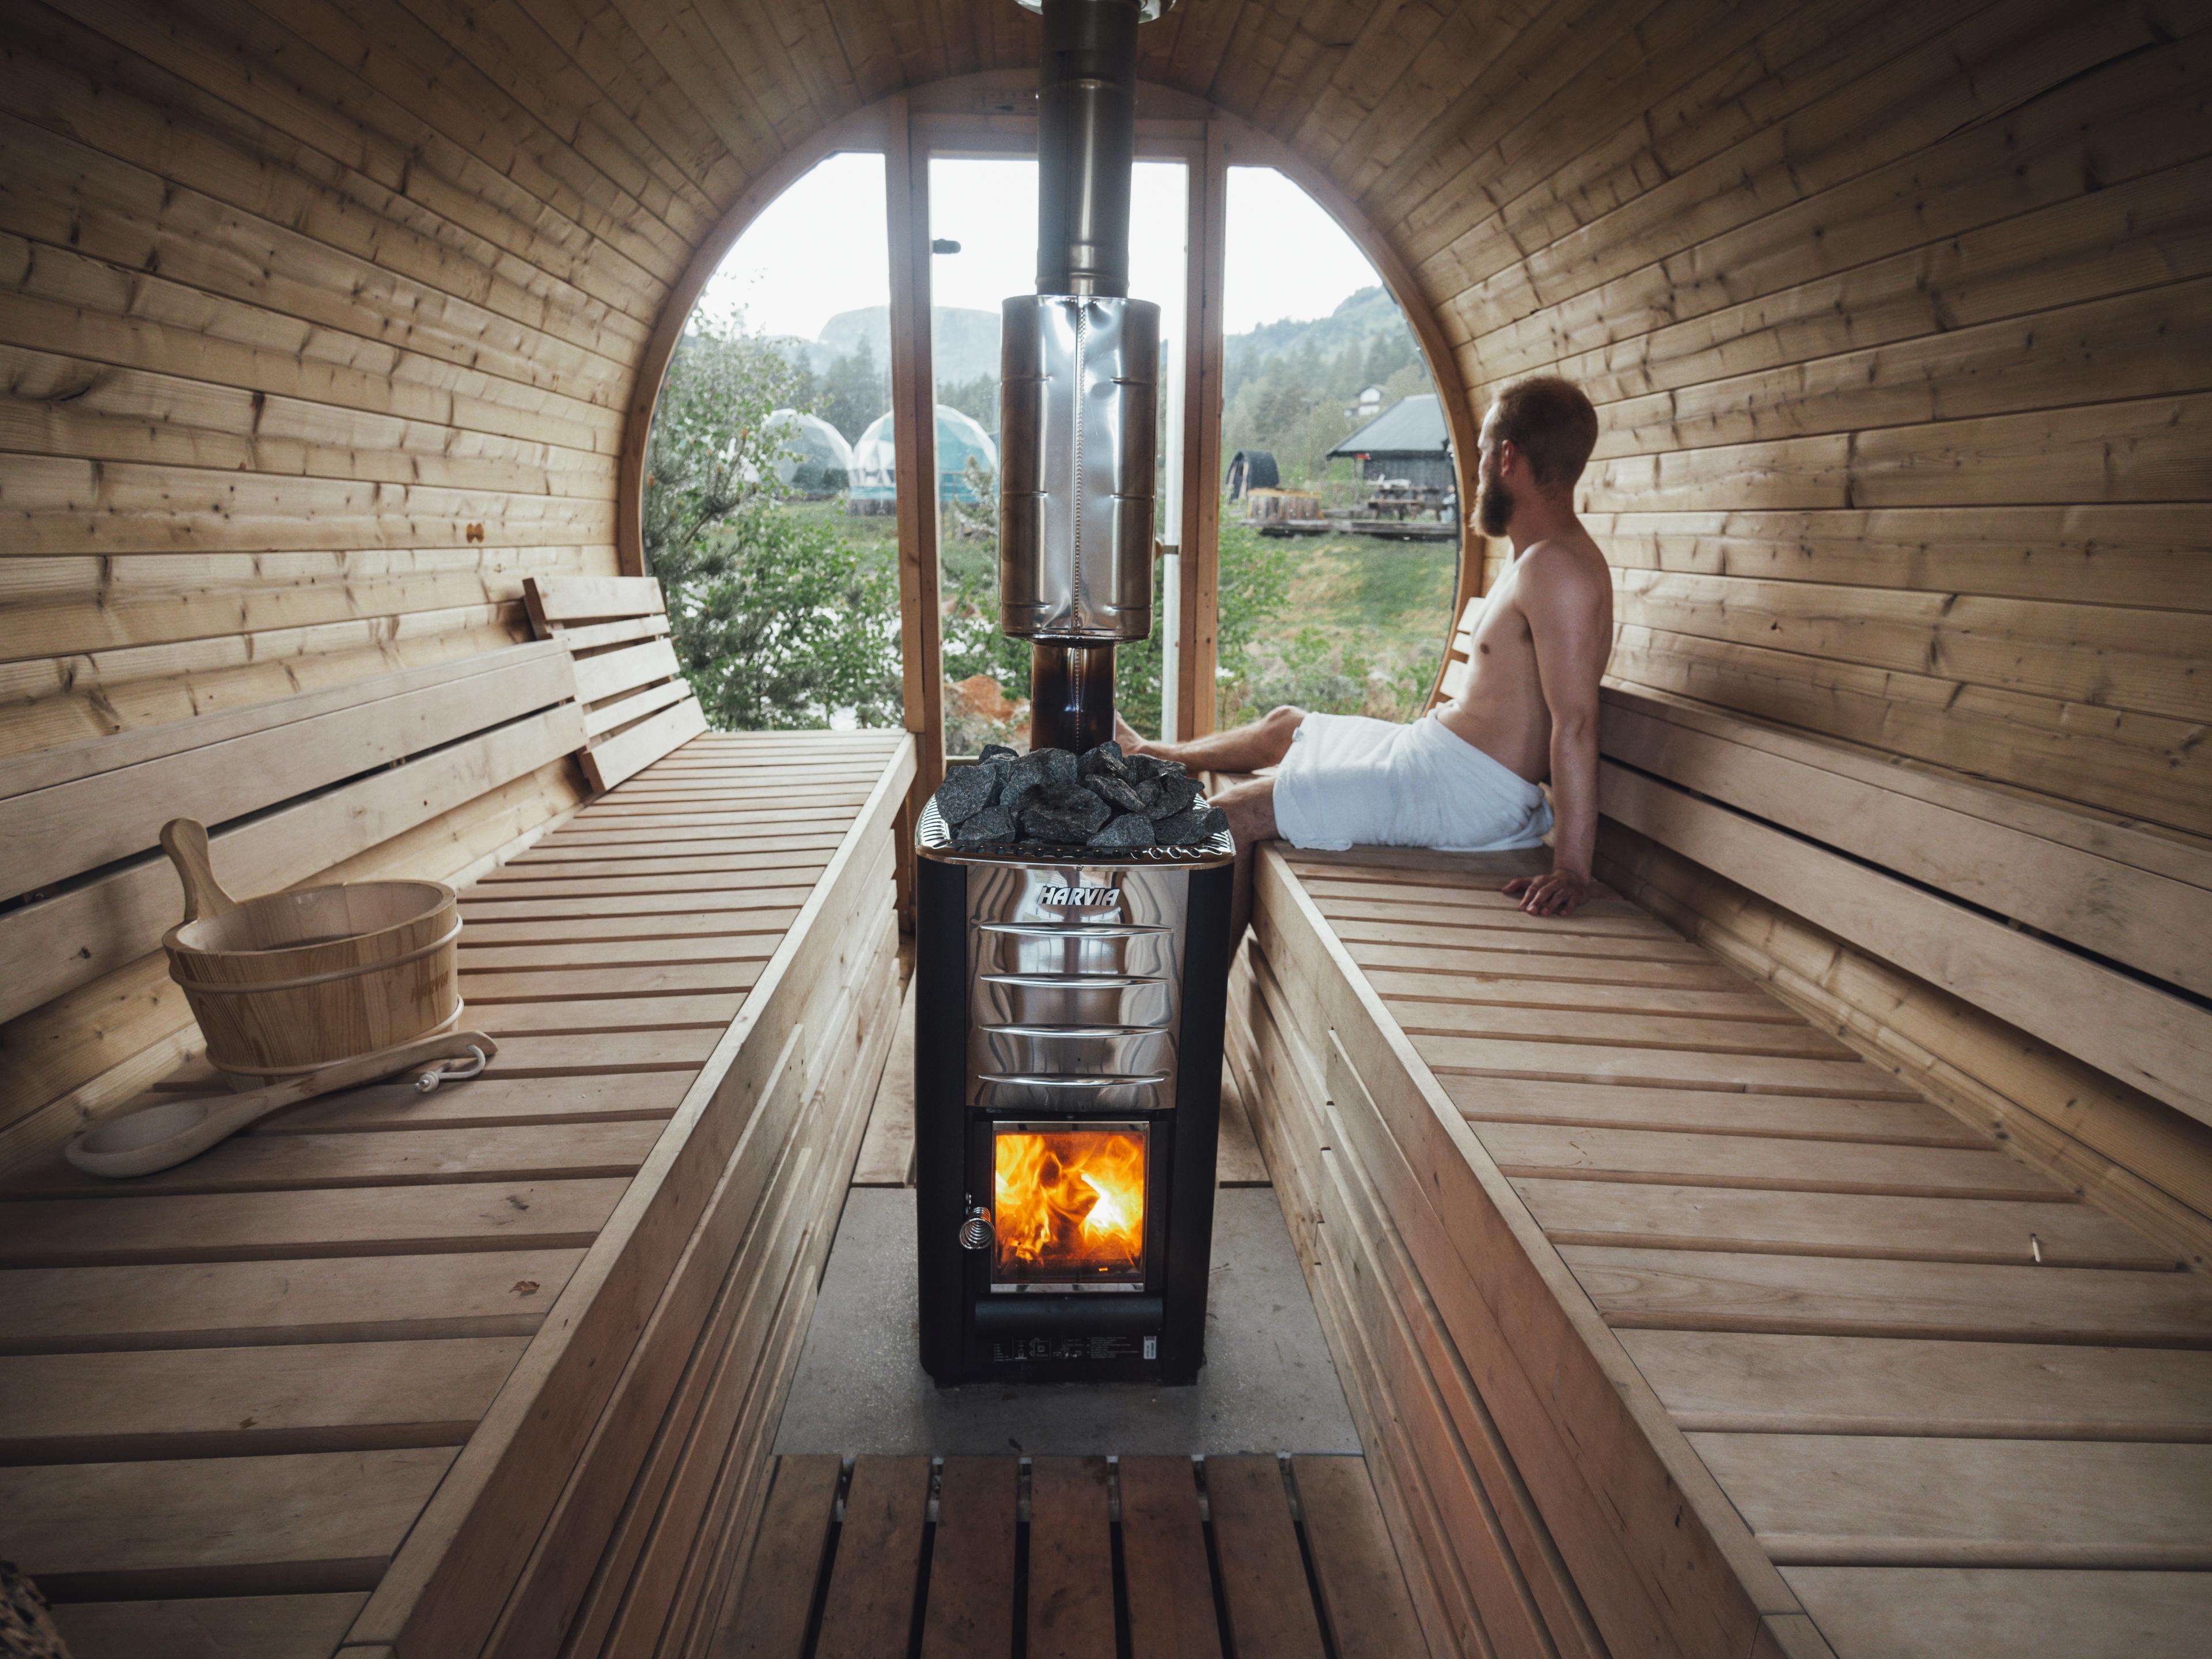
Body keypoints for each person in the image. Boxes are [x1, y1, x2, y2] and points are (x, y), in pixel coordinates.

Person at [1116, 374, 1613, 936]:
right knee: (1285, 726)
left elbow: (1576, 723)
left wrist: (1571, 868)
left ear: (1506, 459)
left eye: (1479, 455)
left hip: (1460, 793)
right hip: (1435, 757)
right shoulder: (1538, 558)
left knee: (1229, 816)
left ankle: (1193, 996)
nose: (1474, 473)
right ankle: (1153, 754)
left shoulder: (1558, 570)